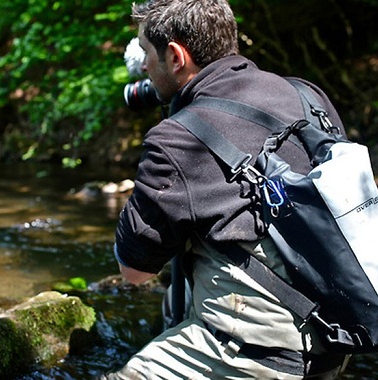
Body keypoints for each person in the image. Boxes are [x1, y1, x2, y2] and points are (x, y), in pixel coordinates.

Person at [104, 0, 350, 379]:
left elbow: (134, 271)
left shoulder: (179, 136)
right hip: (340, 333)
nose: (145, 67)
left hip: (262, 354)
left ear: (174, 56)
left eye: (146, 53)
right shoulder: (307, 96)